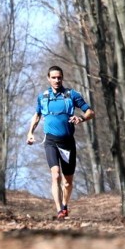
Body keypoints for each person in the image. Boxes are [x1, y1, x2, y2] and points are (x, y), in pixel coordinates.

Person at [25, 65, 94, 218]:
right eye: (54, 77)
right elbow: (36, 116)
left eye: (59, 77)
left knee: (68, 181)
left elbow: (90, 112)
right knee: (55, 175)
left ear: (62, 78)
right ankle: (59, 210)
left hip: (68, 142)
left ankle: (65, 204)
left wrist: (81, 118)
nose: (57, 80)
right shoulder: (43, 97)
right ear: (48, 78)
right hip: (50, 141)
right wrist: (30, 133)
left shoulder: (72, 95)